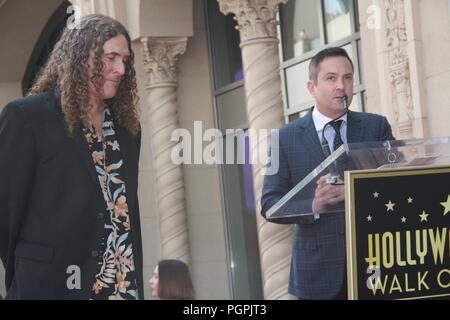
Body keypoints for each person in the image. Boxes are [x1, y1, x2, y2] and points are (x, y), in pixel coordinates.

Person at [0, 14, 143, 300]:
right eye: (111, 57)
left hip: (121, 286)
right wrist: (32, 267)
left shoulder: (128, 131)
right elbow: (6, 209)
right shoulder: (28, 117)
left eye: (125, 60)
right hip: (50, 286)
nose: (120, 69)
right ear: (82, 58)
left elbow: (125, 212)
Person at [261, 47, 395, 300]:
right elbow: (270, 205)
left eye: (347, 78)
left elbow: (395, 183)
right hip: (317, 276)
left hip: (376, 268)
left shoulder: (376, 127)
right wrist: (314, 204)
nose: (341, 86)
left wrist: (353, 191)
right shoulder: (284, 138)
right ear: (312, 88)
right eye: (331, 78)